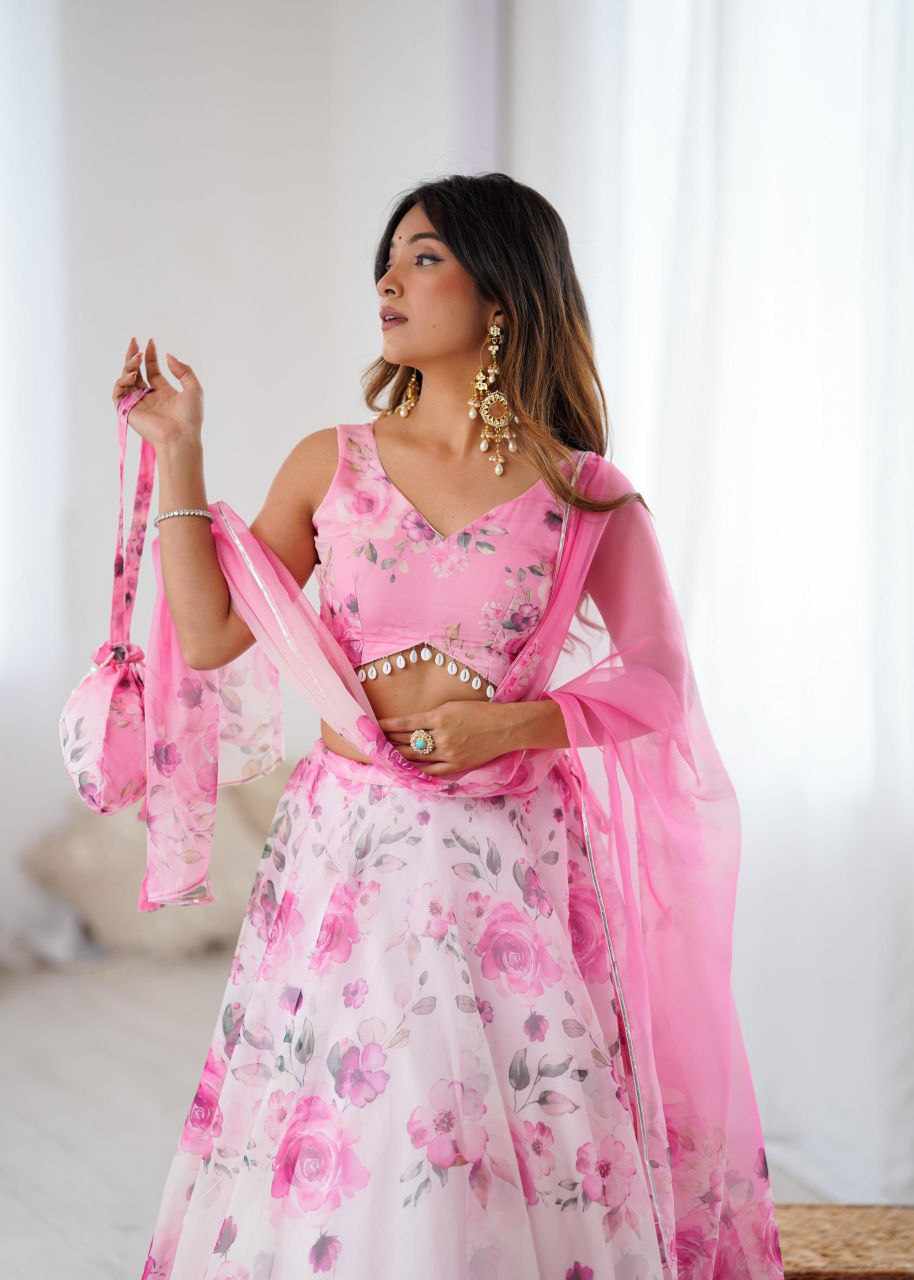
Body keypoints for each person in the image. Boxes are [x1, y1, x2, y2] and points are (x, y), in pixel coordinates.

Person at [118, 173, 784, 1280]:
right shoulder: (332, 461)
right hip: (350, 853)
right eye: (387, 259)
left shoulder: (586, 493)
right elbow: (212, 630)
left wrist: (513, 726)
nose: (388, 280)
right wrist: (178, 449)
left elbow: (660, 680)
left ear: (504, 290)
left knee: (496, 1132)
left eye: (423, 258)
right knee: (360, 1122)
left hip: (506, 860)